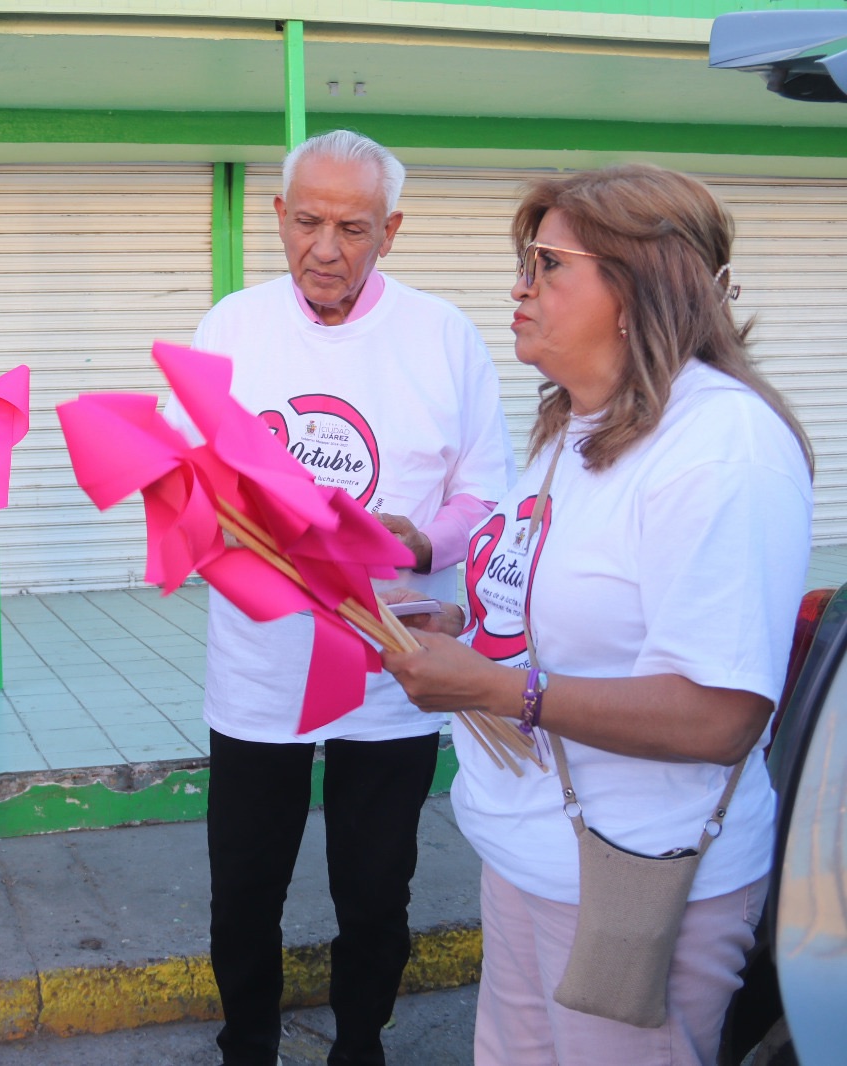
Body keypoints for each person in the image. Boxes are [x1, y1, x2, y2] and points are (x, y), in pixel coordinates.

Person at [382, 164, 813, 1065]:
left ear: (638, 285)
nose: (519, 288)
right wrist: (460, 636)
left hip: (631, 879)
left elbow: (722, 715)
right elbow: (554, 614)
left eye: (547, 265)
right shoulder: (569, 425)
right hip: (527, 854)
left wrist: (503, 690)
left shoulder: (722, 447)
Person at [170, 130, 515, 1066]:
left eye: (353, 228)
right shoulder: (231, 327)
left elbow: (486, 493)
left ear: (391, 231)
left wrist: (424, 538)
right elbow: (184, 479)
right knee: (244, 885)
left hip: (393, 669)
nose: (327, 247)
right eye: (309, 221)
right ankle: (248, 1041)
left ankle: (360, 1043)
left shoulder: (444, 336)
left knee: (376, 889)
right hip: (259, 669)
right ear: (278, 218)